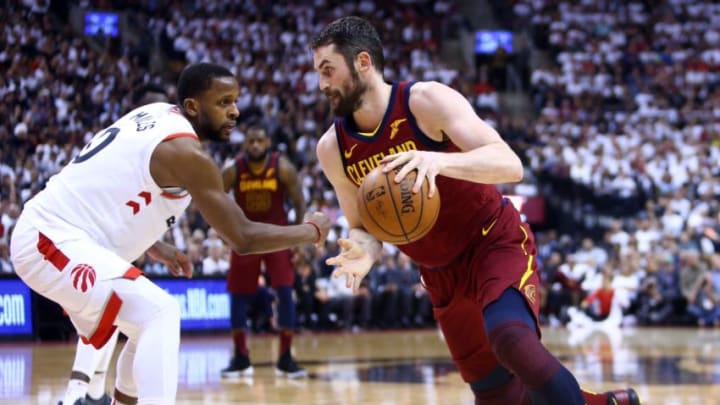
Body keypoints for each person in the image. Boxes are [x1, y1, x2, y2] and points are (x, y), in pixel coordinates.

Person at [311, 16, 640, 405]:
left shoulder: (424, 101)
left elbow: (509, 163)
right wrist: (364, 251)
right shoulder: (332, 149)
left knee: (511, 340)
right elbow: (363, 225)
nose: (322, 85)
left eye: (328, 70)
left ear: (362, 62)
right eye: (318, 73)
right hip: (439, 274)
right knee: (495, 395)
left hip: (492, 242)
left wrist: (437, 161)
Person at [10, 63, 330, 405]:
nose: (234, 111)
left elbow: (112, 187)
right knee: (159, 312)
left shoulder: (157, 113)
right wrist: (311, 230)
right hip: (47, 238)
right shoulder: (186, 153)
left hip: (70, 238)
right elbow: (243, 237)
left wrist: (154, 244)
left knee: (143, 324)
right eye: (223, 102)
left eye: (235, 100)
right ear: (193, 106)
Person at [59, 83, 174, 405]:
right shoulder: (128, 153)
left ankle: (94, 394)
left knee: (114, 317)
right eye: (155, 108)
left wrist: (155, 245)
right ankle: (75, 394)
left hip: (105, 250)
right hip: (74, 247)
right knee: (108, 313)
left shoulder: (150, 153)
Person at [220, 123, 309, 378]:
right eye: (251, 141)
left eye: (260, 140)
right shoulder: (233, 169)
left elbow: (300, 203)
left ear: (268, 142)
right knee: (237, 296)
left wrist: (299, 241)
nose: (255, 145)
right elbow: (213, 198)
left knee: (285, 293)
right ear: (245, 143)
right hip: (246, 238)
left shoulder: (283, 167)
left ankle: (285, 357)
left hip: (277, 236)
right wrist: (224, 232)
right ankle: (240, 357)